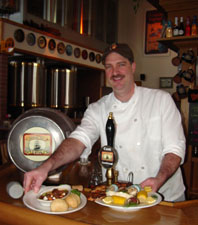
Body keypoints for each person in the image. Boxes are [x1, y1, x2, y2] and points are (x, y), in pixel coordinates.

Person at [23, 43, 186, 202]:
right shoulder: (98, 108)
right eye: (109, 66)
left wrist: (160, 178)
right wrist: (45, 167)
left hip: (165, 197)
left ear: (133, 66)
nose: (115, 72)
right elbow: (78, 141)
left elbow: (174, 149)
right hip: (120, 198)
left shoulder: (160, 100)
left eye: (121, 64)